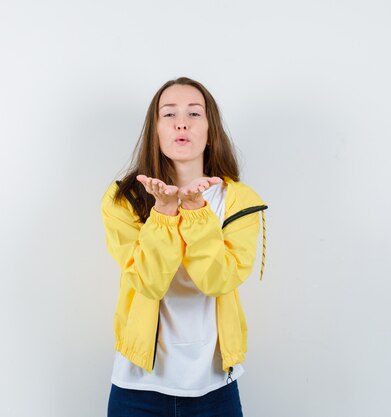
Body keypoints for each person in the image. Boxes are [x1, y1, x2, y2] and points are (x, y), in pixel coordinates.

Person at [100, 77, 268, 417]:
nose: (181, 122)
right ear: (156, 130)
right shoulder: (125, 199)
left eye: (194, 113)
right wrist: (163, 212)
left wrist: (195, 213)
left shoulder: (240, 201)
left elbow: (217, 280)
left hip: (216, 388)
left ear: (210, 129)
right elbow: (148, 281)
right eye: (169, 114)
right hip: (138, 387)